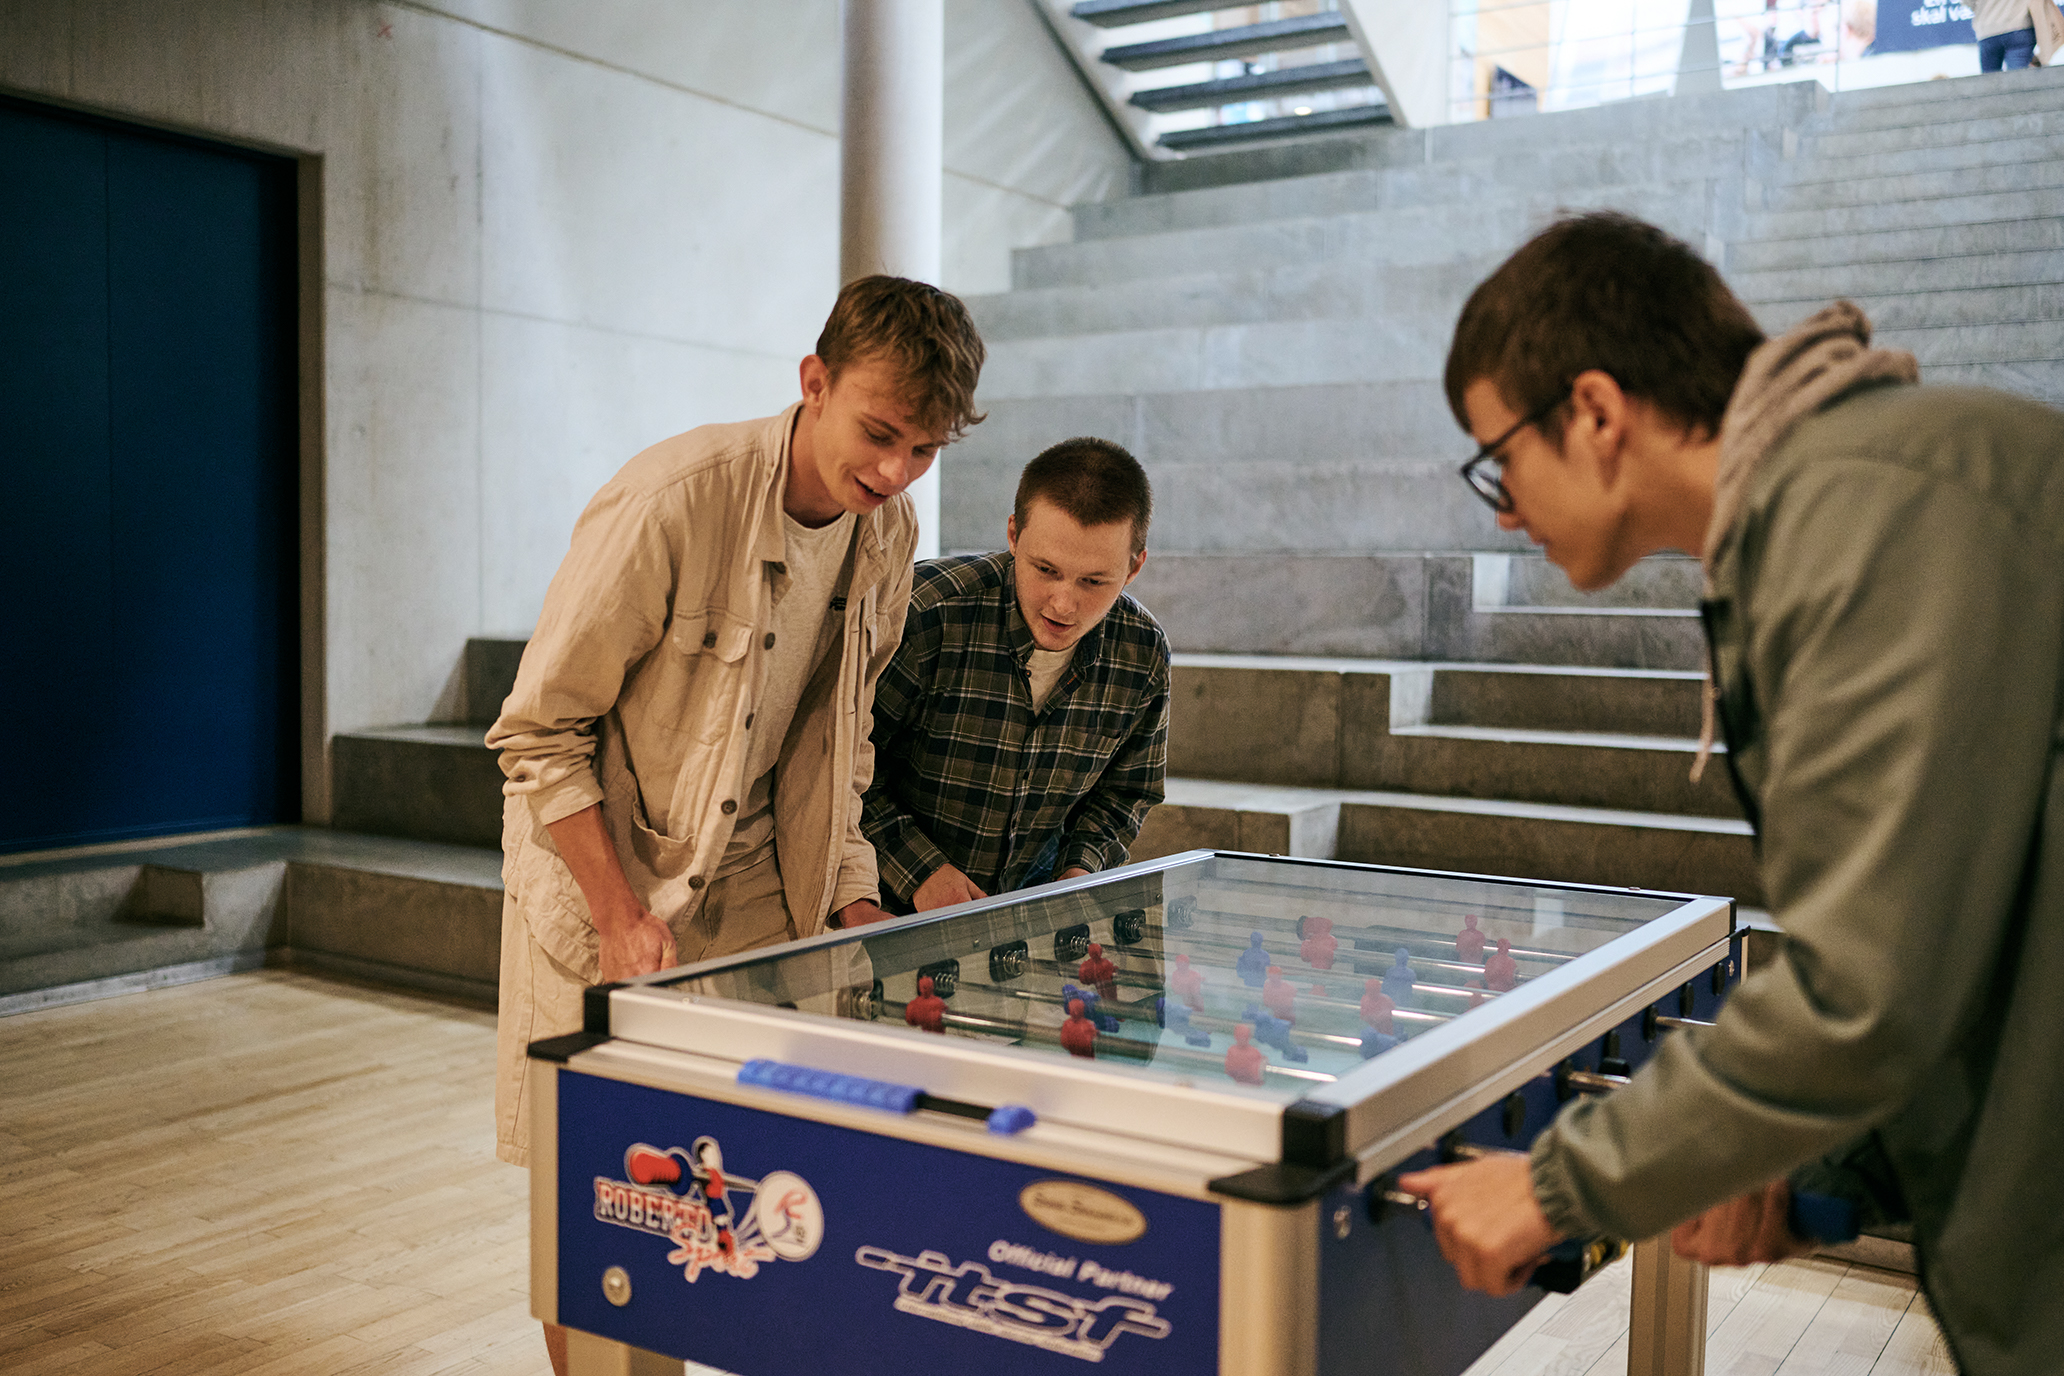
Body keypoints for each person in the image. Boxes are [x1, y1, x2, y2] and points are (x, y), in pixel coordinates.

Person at [1400, 211, 2063, 1376]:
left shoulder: (1873, 505)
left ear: (1595, 412)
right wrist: (1823, 1166)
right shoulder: (1841, 503)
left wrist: (1558, 1182)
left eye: (1500, 456)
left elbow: (1868, 986)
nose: (1502, 508)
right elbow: (1977, 942)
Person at [485, 275, 984, 1375]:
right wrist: (617, 913)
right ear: (814, 383)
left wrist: (855, 895)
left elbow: (844, 739)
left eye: (924, 450)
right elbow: (538, 733)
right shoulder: (670, 499)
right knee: (607, 1201)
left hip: (761, 888)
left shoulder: (889, 530)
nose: (895, 472)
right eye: (880, 434)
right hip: (606, 876)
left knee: (749, 1201)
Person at [862, 437, 1169, 913]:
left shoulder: (1142, 653)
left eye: (1093, 581)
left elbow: (1124, 794)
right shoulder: (923, 614)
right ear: (1012, 535)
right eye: (1045, 569)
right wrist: (921, 870)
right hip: (887, 911)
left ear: (1134, 567)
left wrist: (1080, 871)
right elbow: (842, 773)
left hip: (1031, 922)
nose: (1063, 604)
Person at [1973, 0, 2038, 70]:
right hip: (2018, 23)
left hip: (1987, 29)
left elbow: (1969, 2)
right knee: (2018, 74)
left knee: (1990, 75)